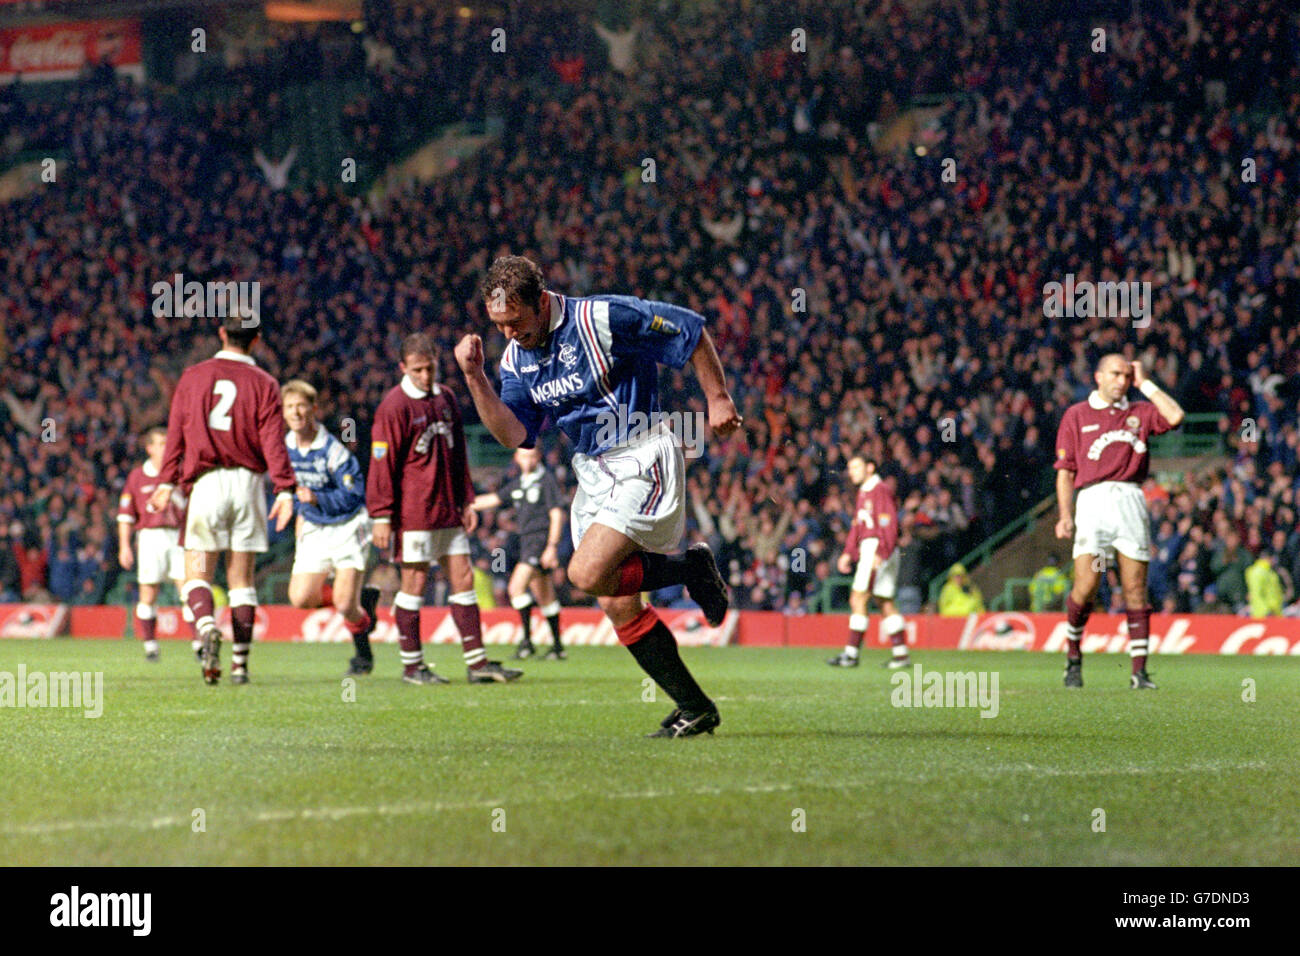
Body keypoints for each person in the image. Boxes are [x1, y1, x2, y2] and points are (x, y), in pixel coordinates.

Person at [455, 254, 740, 738]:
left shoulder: (601, 317)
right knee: (616, 601)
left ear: (541, 302)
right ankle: (696, 708)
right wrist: (475, 379)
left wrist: (717, 397)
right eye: (498, 324)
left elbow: (688, 330)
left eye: (516, 321)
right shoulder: (515, 359)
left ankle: (689, 569)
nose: (509, 332)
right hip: (592, 470)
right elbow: (514, 434)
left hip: (641, 452)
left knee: (585, 573)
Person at [149, 316, 297, 686]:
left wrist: (167, 479)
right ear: (257, 340)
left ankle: (204, 625)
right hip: (248, 487)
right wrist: (285, 488)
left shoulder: (194, 376)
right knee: (241, 580)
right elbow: (272, 442)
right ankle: (240, 667)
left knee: (196, 571)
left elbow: (176, 433)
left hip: (206, 486)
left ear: (221, 334)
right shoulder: (265, 383)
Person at [367, 333, 521, 686]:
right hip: (414, 513)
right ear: (403, 368)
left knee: (463, 578)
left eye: (430, 368)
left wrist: (467, 498)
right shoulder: (393, 406)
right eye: (418, 370)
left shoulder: (446, 398)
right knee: (415, 583)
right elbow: (382, 464)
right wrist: (380, 515)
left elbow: (456, 456)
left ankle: (478, 663)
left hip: (448, 509)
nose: (425, 375)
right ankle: (412, 667)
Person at [1054, 354, 1184, 690]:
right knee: (1088, 586)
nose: (1121, 381)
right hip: (1093, 503)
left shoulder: (1139, 412)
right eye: (1116, 374)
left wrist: (1146, 384)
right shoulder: (1077, 415)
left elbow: (1175, 415)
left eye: (1127, 376)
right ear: (1098, 376)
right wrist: (1065, 515)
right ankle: (1073, 657)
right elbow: (1066, 473)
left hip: (1130, 501)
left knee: (1135, 589)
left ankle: (1138, 673)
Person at [282, 380, 380, 676]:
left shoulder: (332, 450)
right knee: (300, 599)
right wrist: (299, 508)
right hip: (314, 525)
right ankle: (360, 601)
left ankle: (363, 656)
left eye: (301, 406)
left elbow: (354, 495)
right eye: (289, 407)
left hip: (348, 526)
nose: (296, 412)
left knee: (344, 605)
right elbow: (287, 485)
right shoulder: (284, 447)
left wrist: (316, 498)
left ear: (313, 409)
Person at [471, 446, 568, 660]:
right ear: (516, 457)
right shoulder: (520, 483)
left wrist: (552, 546)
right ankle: (558, 648)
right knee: (545, 595)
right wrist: (462, 505)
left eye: (532, 455)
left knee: (515, 588)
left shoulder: (546, 480)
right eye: (524, 456)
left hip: (539, 541)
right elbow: (493, 499)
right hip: (526, 542)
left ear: (539, 457)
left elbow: (556, 514)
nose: (528, 460)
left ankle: (526, 642)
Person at [116, 425, 200, 661]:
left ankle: (198, 645)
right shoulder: (137, 476)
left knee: (188, 590)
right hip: (150, 537)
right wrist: (124, 545)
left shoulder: (181, 472)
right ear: (149, 448)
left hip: (179, 537)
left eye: (169, 443)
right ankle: (151, 646)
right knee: (148, 592)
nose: (166, 448)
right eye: (162, 444)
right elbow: (126, 515)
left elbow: (193, 504)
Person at [827, 456, 909, 669]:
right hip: (877, 548)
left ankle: (851, 654)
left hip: (876, 548)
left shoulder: (878, 489)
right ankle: (901, 655)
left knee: (858, 598)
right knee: (884, 601)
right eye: (849, 467)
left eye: (856, 466)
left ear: (870, 468)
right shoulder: (865, 491)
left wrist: (881, 551)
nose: (851, 471)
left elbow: (888, 521)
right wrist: (848, 552)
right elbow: (857, 526)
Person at [1245, 550, 1283, 618]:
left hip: (1274, 612)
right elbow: (1256, 593)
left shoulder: (1269, 571)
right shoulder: (1258, 572)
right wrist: (1266, 611)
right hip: (1265, 614)